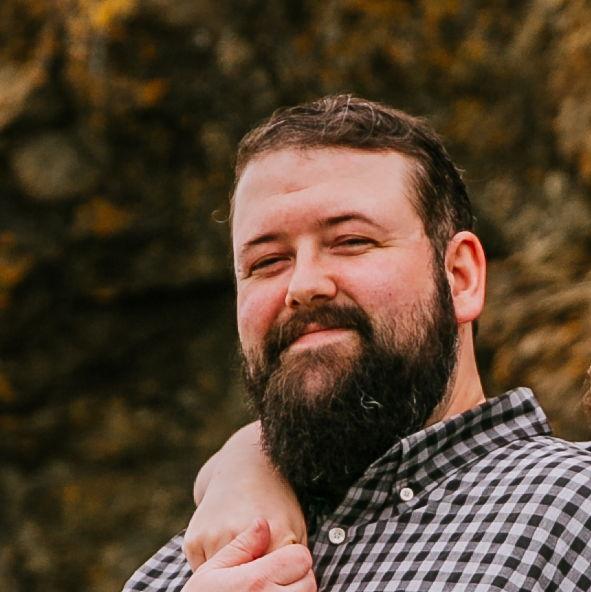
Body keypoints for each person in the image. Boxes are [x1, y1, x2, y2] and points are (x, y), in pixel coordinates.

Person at [123, 95, 591, 592]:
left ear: (460, 277)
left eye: (351, 241)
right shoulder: (175, 573)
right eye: (267, 262)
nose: (304, 285)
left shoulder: (574, 511)